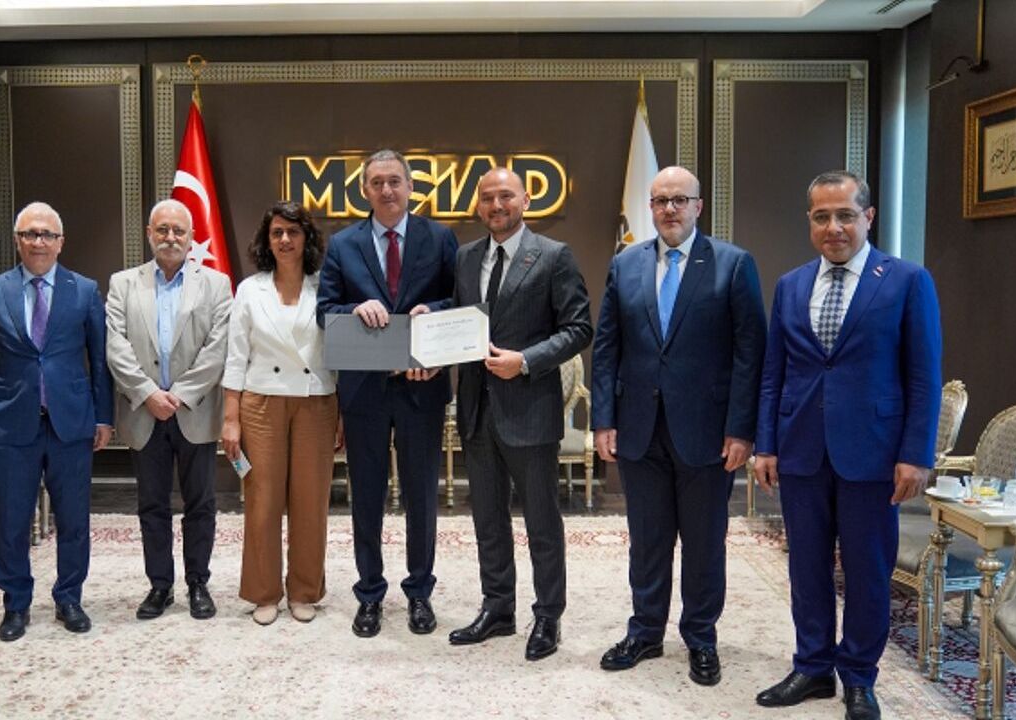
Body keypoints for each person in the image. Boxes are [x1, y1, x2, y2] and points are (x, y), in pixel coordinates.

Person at [753, 170, 941, 720]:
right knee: (806, 567)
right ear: (809, 221)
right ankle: (813, 667)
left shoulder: (906, 281)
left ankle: (859, 676)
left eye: (845, 215)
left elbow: (924, 377)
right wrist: (767, 444)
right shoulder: (790, 285)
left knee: (867, 572)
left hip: (874, 454)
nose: (833, 227)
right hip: (801, 451)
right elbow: (774, 374)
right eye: (821, 216)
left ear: (868, 217)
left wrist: (916, 454)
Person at [590, 166, 766, 685]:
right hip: (638, 428)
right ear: (650, 208)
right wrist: (603, 419)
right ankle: (645, 632)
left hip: (708, 433)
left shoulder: (733, 264)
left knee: (704, 543)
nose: (669, 209)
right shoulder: (625, 264)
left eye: (679, 200)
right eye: (660, 200)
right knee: (647, 541)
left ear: (698, 206)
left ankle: (701, 638)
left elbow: (750, 353)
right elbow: (607, 348)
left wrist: (742, 429)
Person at [448, 167, 592, 661]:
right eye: (487, 197)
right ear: (478, 205)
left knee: (541, 524)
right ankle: (498, 608)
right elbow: (458, 321)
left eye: (505, 195)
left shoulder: (553, 256)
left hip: (530, 410)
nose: (496, 205)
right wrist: (430, 326)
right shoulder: (466, 257)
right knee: (487, 520)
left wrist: (525, 360)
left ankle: (548, 615)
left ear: (526, 200)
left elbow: (578, 328)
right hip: (476, 410)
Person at [316, 149, 458, 638]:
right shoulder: (343, 244)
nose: (387, 190)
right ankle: (370, 594)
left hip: (423, 386)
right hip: (365, 392)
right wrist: (354, 309)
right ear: (365, 190)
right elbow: (325, 309)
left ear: (411, 186)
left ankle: (419, 592)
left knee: (421, 496)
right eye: (377, 182)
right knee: (367, 496)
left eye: (395, 180)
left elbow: (460, 301)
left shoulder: (439, 238)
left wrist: (433, 311)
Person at [0, 201, 114, 642]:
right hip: (13, 425)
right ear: (18, 241)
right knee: (12, 520)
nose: (39, 242)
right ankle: (15, 604)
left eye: (47, 234)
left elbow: (100, 361)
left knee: (74, 519)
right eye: (30, 234)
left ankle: (69, 597)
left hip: (72, 423)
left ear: (61, 242)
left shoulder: (83, 290)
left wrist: (104, 417)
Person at [105, 198, 232, 622]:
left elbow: (218, 348)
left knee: (201, 504)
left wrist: (178, 394)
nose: (171, 237)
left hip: (194, 410)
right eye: (162, 230)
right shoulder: (123, 284)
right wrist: (148, 393)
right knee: (152, 506)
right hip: (144, 412)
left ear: (192, 236)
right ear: (149, 234)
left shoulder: (216, 284)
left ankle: (198, 583)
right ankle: (160, 585)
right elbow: (115, 347)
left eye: (179, 230)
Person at [223, 201, 339, 626]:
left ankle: (305, 590)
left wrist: (342, 411)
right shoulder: (249, 290)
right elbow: (236, 356)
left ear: (307, 238)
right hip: (260, 402)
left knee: (311, 501)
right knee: (263, 500)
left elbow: (338, 353)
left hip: (316, 401)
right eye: (277, 233)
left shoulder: (326, 286)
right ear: (266, 240)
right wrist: (230, 418)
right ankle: (264, 591)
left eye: (293, 232)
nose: (285, 240)